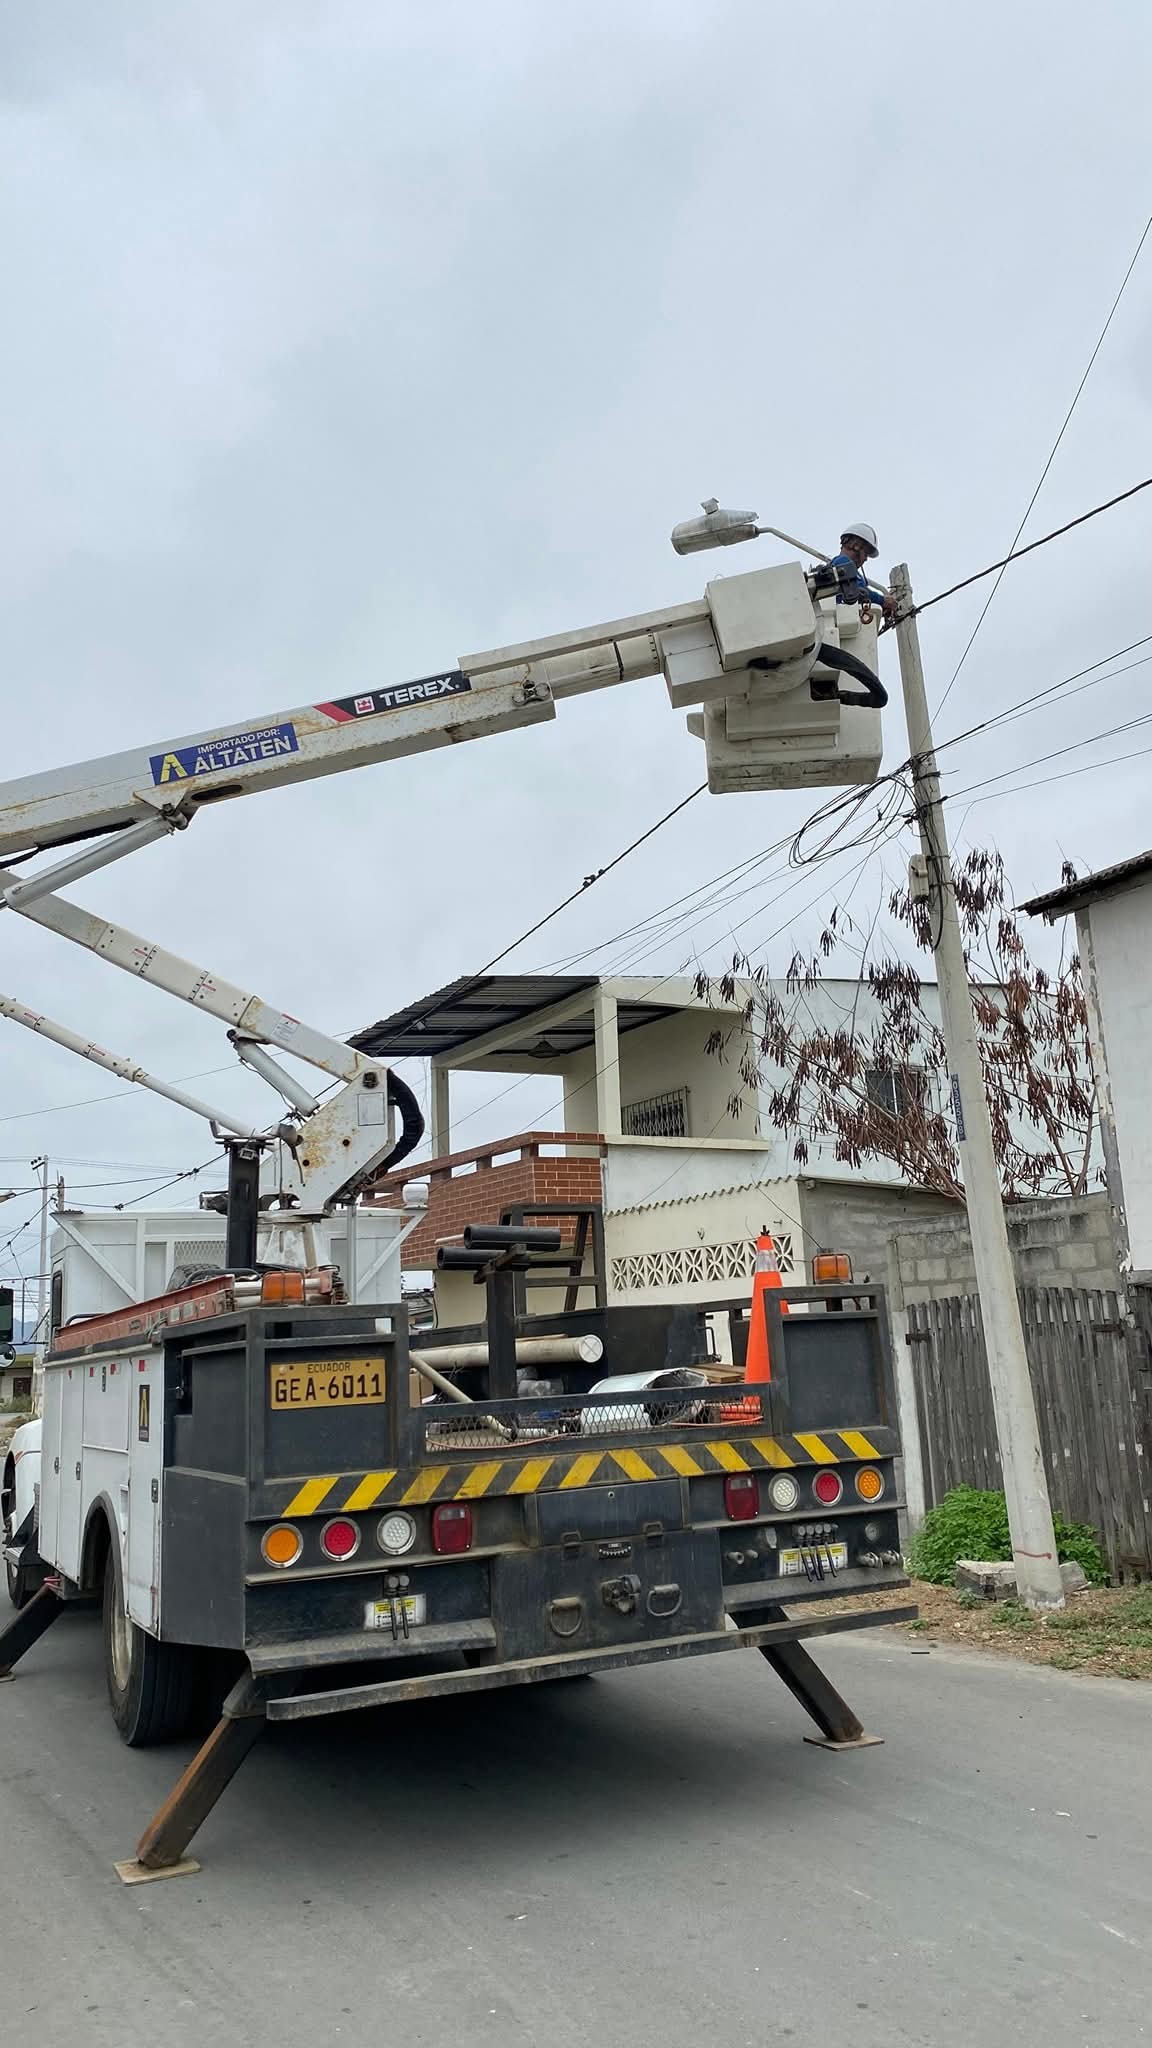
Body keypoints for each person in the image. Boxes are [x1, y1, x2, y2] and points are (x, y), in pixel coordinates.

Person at [827, 521, 894, 621]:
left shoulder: (849, 571)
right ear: (856, 546)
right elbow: (857, 591)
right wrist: (883, 601)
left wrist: (879, 605)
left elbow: (860, 594)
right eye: (866, 553)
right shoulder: (842, 562)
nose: (865, 559)